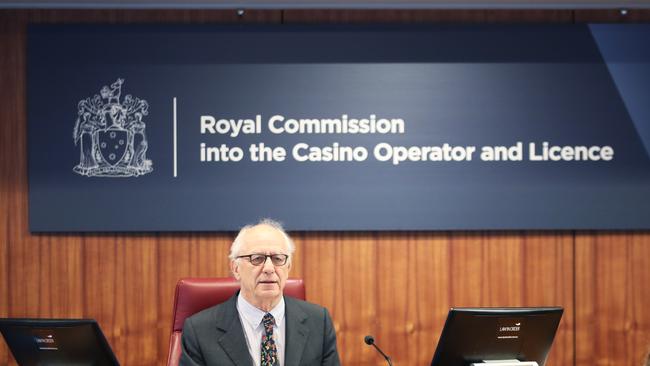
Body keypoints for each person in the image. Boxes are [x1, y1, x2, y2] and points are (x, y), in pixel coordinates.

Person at [180, 219, 341, 366]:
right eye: (257, 258)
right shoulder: (199, 331)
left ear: (288, 267)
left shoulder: (319, 323)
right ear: (235, 268)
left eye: (278, 258)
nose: (269, 269)